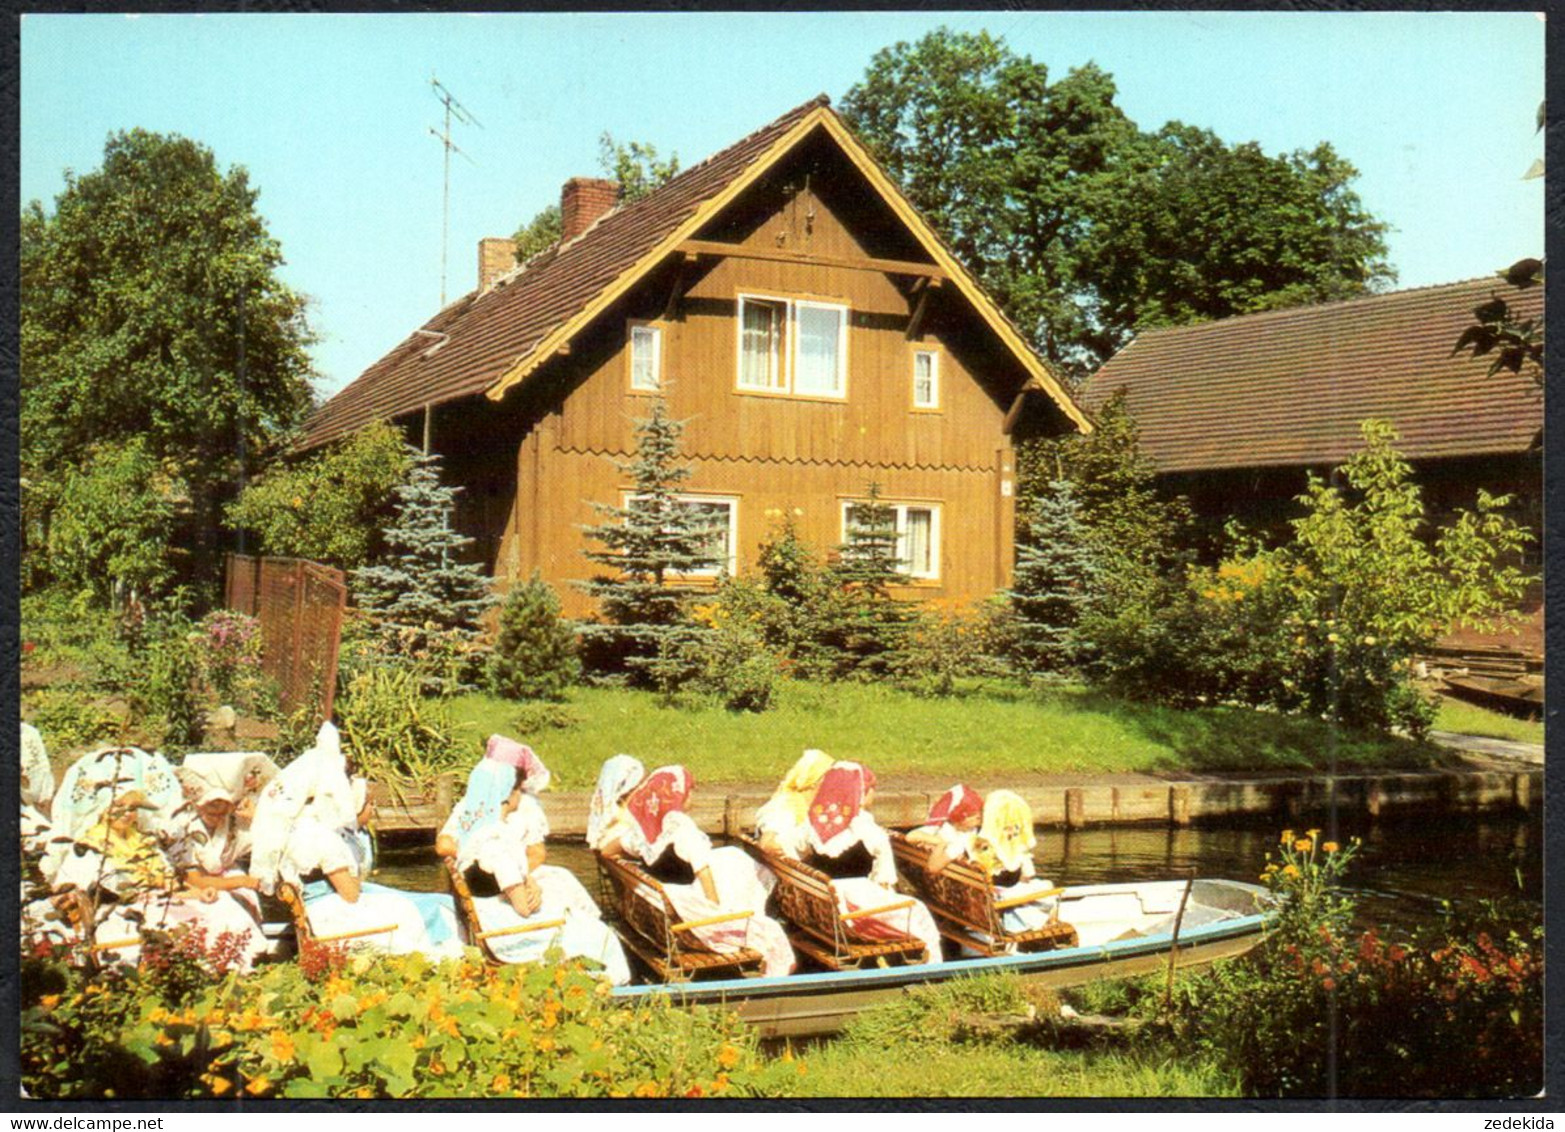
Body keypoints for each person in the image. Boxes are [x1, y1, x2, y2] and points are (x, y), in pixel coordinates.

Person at [250, 721, 461, 959]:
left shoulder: (293, 827)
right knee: (431, 906)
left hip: (325, 906)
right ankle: (450, 954)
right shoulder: (318, 836)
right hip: (333, 914)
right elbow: (350, 893)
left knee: (425, 900)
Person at [437, 736, 629, 983]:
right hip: (503, 926)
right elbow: (524, 909)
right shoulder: (496, 841)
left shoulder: (480, 830)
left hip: (493, 903)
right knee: (591, 929)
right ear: (507, 794)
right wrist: (531, 894)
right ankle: (605, 980)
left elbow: (527, 862)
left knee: (565, 894)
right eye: (518, 788)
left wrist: (525, 882)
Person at [599, 764, 794, 977]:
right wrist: (715, 910)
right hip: (688, 909)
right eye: (689, 790)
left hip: (664, 898)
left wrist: (633, 864)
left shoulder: (644, 830)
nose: (692, 794)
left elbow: (607, 850)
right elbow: (703, 870)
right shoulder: (680, 827)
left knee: (732, 858)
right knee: (764, 915)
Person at [797, 761, 944, 964]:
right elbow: (884, 882)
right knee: (918, 910)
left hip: (824, 910)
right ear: (861, 793)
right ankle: (933, 969)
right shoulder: (868, 831)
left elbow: (797, 854)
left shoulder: (812, 824)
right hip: (857, 913)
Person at [972, 789, 1060, 942]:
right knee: (1048, 887)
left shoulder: (976, 843)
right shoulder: (1004, 850)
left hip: (981, 898)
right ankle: (1044, 925)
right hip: (998, 899)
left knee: (1032, 887)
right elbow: (1026, 875)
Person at [753, 748, 834, 858]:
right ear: (814, 781)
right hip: (784, 870)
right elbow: (768, 839)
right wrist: (770, 842)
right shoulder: (785, 804)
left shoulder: (819, 806)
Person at [906, 784, 984, 876]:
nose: (980, 820)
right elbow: (933, 867)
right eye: (977, 817)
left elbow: (910, 836)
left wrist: (936, 841)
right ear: (963, 818)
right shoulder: (958, 841)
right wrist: (941, 843)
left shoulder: (948, 827)